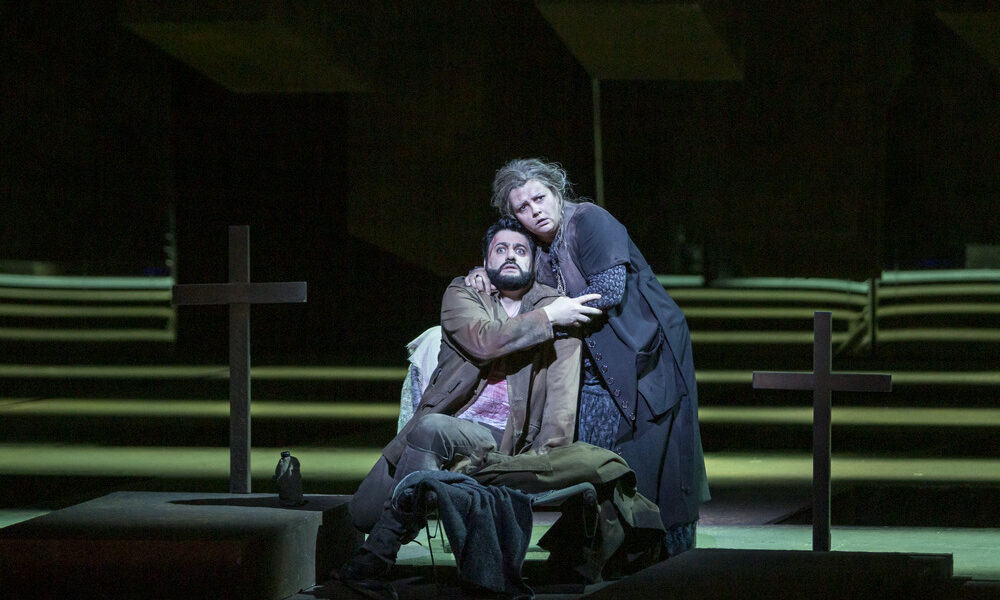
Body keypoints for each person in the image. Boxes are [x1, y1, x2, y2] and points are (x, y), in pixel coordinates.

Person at [341, 216, 601, 587]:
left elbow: (561, 399)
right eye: (501, 249)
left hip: (498, 438)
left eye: (520, 250)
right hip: (444, 423)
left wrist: (543, 459)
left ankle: (377, 556)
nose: (510, 256)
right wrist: (547, 317)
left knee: (430, 431)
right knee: (362, 512)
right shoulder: (462, 295)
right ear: (485, 260)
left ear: (533, 261)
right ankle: (406, 508)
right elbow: (485, 341)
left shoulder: (559, 312)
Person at [470, 158, 710, 556]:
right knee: (597, 453)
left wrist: (553, 314)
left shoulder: (589, 221)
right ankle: (606, 549)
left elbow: (609, 290)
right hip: (593, 359)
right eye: (523, 208)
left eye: (539, 198)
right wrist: (482, 275)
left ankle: (663, 556)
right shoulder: (536, 243)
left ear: (556, 191)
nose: (535, 211)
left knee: (652, 452)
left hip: (642, 346)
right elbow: (513, 275)